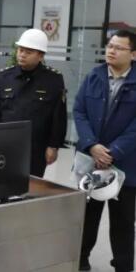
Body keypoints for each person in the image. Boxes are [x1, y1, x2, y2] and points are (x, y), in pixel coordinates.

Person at [75, 30, 136, 272]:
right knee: (87, 216)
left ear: (133, 54)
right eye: (110, 46)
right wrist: (92, 145)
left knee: (123, 221)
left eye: (119, 48)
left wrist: (113, 152)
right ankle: (80, 260)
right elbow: (79, 111)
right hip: (91, 160)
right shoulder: (94, 76)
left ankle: (123, 265)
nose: (111, 51)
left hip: (126, 163)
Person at [0, 28, 67, 177]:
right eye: (20, 50)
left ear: (40, 55)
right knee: (2, 182)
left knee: (31, 185)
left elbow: (59, 116)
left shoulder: (53, 79)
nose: (22, 55)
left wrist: (53, 146)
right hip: (6, 143)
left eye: (28, 52)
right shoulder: (5, 76)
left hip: (36, 147)